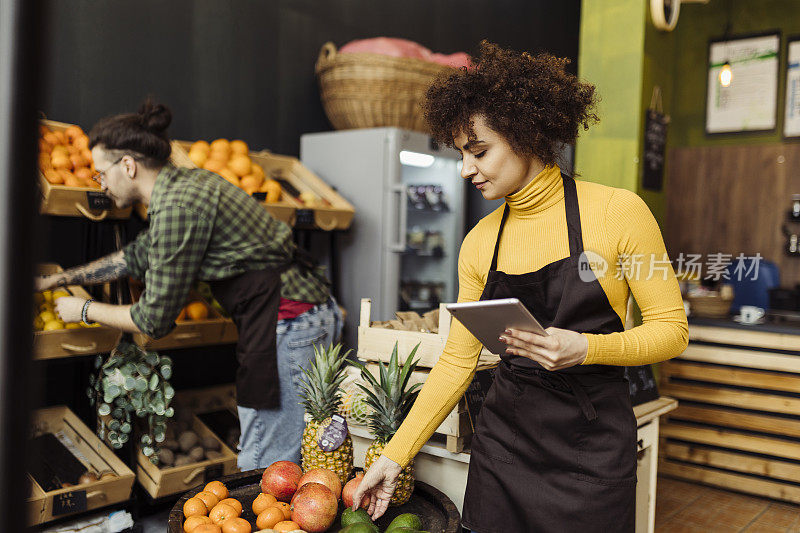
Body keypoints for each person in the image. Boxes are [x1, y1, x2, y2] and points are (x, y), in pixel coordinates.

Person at [353, 42, 688, 532]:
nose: (466, 169)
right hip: (504, 448)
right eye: (462, 155)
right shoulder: (477, 244)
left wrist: (585, 348)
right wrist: (393, 456)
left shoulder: (620, 212)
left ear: (526, 134)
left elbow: (672, 330)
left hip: (590, 452)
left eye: (480, 151)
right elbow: (457, 360)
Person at [36, 100, 342, 470]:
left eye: (102, 172)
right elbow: (133, 257)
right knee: (285, 456)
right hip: (295, 316)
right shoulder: (184, 186)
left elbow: (153, 320)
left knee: (267, 464)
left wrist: (82, 310)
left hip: (291, 322)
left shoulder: (177, 207)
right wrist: (59, 279)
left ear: (128, 166)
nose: (99, 181)